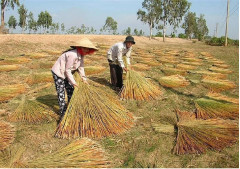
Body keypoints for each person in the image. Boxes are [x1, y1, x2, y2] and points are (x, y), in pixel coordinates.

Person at [51, 37, 98, 116]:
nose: (86, 50)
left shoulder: (81, 55)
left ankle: (71, 107)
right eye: (85, 48)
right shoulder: (73, 55)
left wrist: (84, 79)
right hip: (59, 73)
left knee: (71, 90)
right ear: (80, 47)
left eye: (88, 48)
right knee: (61, 92)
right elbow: (67, 70)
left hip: (67, 73)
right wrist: (74, 82)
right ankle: (63, 113)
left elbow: (81, 67)